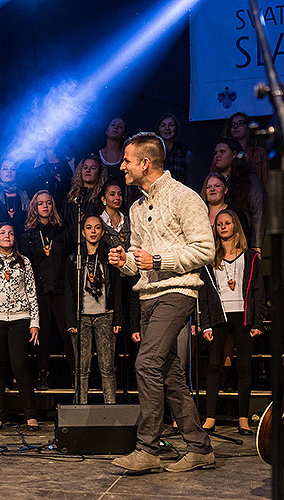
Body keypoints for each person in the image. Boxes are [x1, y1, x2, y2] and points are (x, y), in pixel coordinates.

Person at [109, 132, 214, 473]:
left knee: (147, 363)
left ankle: (148, 449)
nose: (121, 166)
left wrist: (156, 261)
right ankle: (199, 447)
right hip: (149, 296)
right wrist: (122, 260)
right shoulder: (136, 207)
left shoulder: (184, 197)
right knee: (168, 373)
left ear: (145, 162)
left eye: (126, 160)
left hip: (177, 292)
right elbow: (137, 261)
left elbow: (204, 250)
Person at [198, 209, 265, 436]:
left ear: (235, 225)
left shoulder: (250, 257)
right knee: (215, 365)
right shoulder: (209, 259)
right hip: (219, 315)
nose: (223, 226)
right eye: (219, 224)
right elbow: (205, 295)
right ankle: (209, 418)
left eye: (227, 223)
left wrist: (258, 322)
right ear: (215, 229)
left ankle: (243, 418)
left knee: (244, 366)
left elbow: (258, 291)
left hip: (243, 316)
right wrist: (205, 323)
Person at [0, 223, 39, 431]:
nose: (7, 236)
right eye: (2, 233)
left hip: (21, 318)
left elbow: (31, 293)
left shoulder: (24, 262)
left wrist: (35, 322)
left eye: (11, 233)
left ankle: (30, 415)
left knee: (20, 365)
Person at [64, 216, 123, 404]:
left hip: (105, 316)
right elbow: (68, 291)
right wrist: (71, 321)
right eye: (89, 228)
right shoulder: (75, 257)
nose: (93, 231)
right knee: (82, 368)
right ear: (83, 232)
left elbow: (118, 289)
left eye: (97, 227)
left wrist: (118, 319)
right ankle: (80, 408)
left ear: (102, 231)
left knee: (107, 366)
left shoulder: (109, 256)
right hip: (81, 318)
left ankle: (111, 407)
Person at [20, 190, 72, 389]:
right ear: (34, 206)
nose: (45, 206)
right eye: (40, 203)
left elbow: (69, 259)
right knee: (42, 334)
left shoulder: (62, 231)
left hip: (60, 288)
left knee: (67, 332)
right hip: (39, 289)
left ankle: (76, 375)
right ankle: (43, 376)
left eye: (49, 203)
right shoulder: (28, 234)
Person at [210, 138, 266, 252]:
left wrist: (256, 245)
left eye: (222, 152)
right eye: (216, 153)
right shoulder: (213, 181)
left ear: (234, 154)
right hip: (218, 241)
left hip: (242, 238)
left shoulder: (249, 178)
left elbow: (258, 211)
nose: (218, 156)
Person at [61, 156, 107, 238]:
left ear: (99, 172)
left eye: (93, 168)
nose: (88, 170)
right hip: (73, 245)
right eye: (85, 167)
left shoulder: (103, 198)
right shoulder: (70, 198)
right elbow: (64, 226)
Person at [200, 173, 252, 246]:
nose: (212, 189)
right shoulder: (198, 214)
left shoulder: (237, 214)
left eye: (217, 186)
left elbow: (245, 241)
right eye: (208, 187)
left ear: (225, 190)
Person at [221, 112, 269, 189]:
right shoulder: (221, 154)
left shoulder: (260, 153)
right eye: (233, 124)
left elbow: (266, 181)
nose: (235, 126)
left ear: (248, 127)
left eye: (240, 123)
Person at [0, 160, 30, 235]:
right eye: (5, 169)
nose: (9, 172)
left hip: (21, 236)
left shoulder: (24, 194)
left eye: (12, 169)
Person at [156, 113, 193, 186]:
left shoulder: (185, 153)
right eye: (163, 125)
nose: (167, 128)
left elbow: (189, 181)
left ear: (176, 128)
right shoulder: (153, 152)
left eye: (171, 125)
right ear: (159, 129)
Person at [99, 180, 130, 250]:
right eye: (112, 194)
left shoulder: (129, 221)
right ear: (104, 199)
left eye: (120, 194)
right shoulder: (98, 223)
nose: (117, 198)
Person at [98, 117, 126, 182]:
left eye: (120, 126)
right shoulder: (95, 156)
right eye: (113, 125)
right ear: (107, 131)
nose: (116, 127)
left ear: (124, 134)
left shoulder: (127, 157)